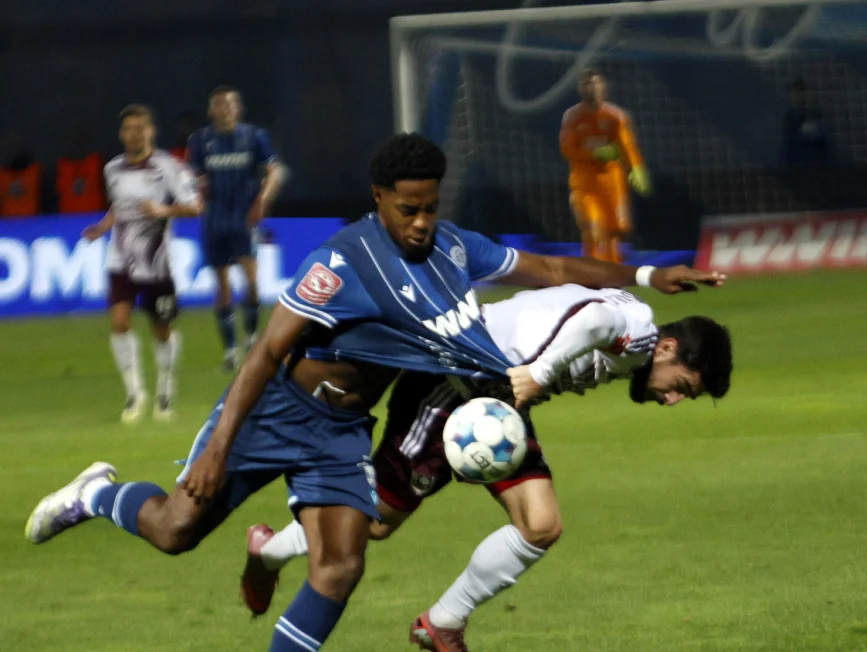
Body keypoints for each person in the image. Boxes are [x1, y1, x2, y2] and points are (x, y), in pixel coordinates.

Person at [25, 133, 723, 652]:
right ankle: (93, 494)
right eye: (408, 209)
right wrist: (218, 449)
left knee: (341, 566)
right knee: (175, 530)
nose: (421, 222)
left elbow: (547, 265)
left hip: (341, 431)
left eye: (429, 207)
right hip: (278, 409)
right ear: (379, 199)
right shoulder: (341, 263)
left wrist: (641, 275)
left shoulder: (452, 248)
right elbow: (268, 350)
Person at [239, 284, 733, 651]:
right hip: (450, 385)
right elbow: (593, 320)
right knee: (372, 522)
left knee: (540, 525)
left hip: (496, 411)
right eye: (681, 386)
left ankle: (444, 622)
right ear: (668, 349)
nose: (671, 399)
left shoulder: (639, 333)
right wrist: (540, 374)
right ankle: (269, 551)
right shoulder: (642, 334)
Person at [81, 104, 201, 422]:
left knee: (162, 329)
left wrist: (164, 211)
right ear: (122, 134)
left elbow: (195, 206)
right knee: (120, 322)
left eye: (141, 127)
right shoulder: (112, 169)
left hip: (156, 263)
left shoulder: (170, 167)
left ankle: (165, 390)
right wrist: (102, 228)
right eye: (129, 128)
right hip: (120, 259)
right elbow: (118, 209)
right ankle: (135, 394)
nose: (135, 133)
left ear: (152, 130)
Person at [187, 86, 287, 370]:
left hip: (244, 220)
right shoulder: (200, 140)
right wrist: (195, 194)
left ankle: (252, 336)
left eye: (230, 103)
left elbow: (275, 172)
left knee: (252, 281)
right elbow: (192, 177)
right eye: (219, 104)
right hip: (214, 221)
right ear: (211, 110)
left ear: (239, 108)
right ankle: (230, 350)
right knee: (222, 286)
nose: (226, 108)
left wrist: (263, 200)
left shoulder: (254, 137)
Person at [560, 69, 651, 264]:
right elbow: (567, 150)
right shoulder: (573, 117)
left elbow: (628, 147)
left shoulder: (616, 116)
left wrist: (637, 169)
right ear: (580, 89)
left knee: (614, 233)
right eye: (586, 84)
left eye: (595, 83)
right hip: (584, 184)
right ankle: (593, 274)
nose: (591, 88)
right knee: (592, 229)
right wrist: (594, 153)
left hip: (612, 183)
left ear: (603, 87)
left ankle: (612, 276)